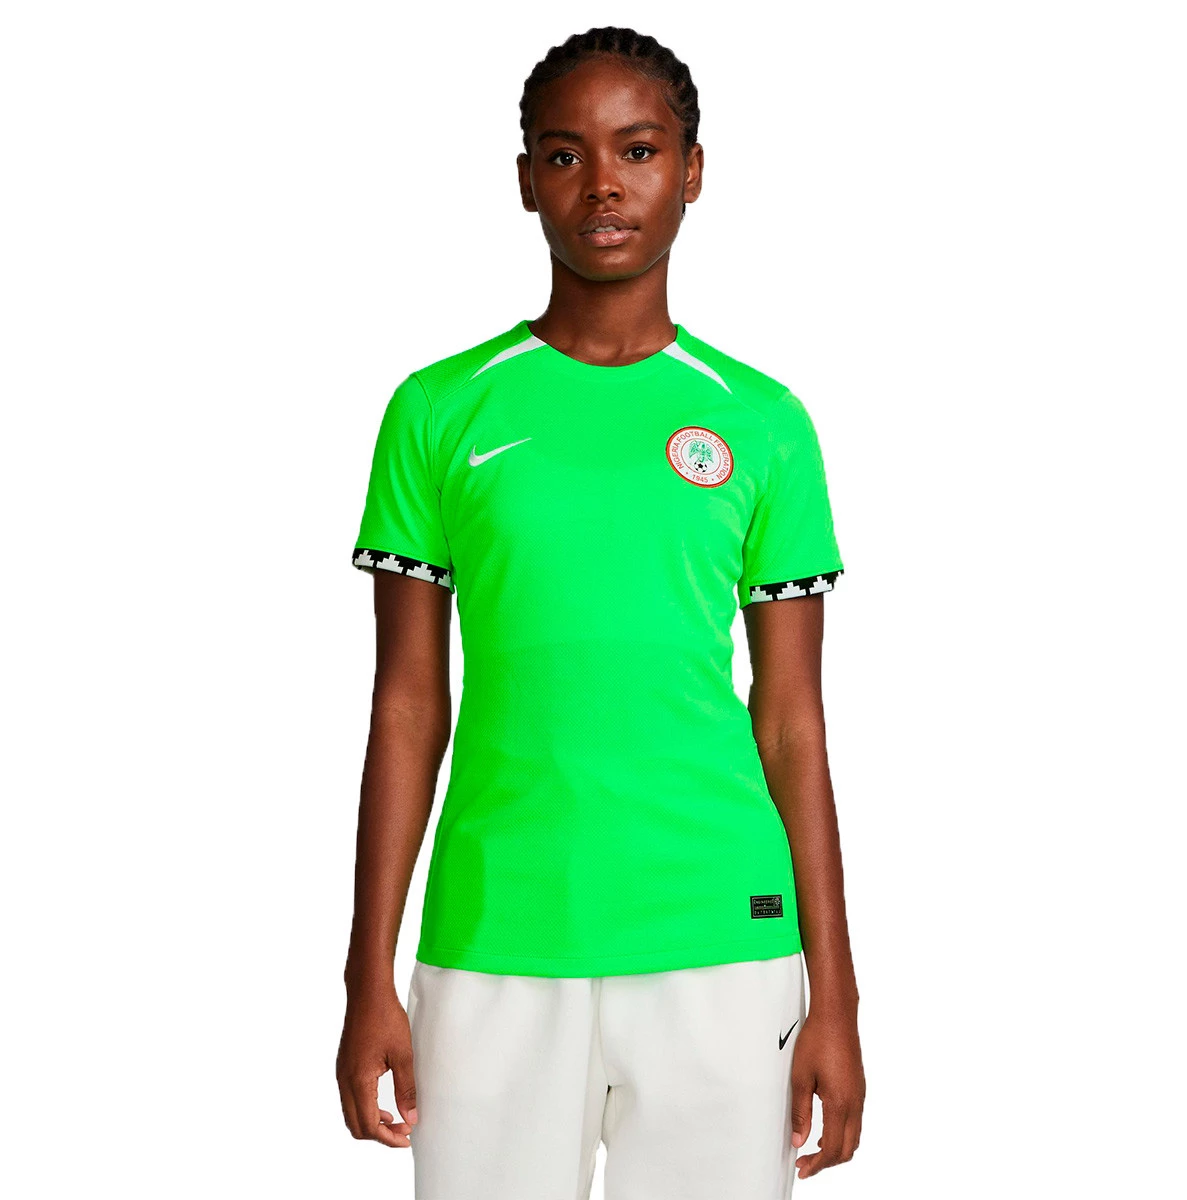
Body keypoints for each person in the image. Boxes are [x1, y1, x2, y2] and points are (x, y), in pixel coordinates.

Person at [336, 25, 865, 1200]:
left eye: (638, 149)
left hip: (721, 936)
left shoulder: (763, 422)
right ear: (527, 178)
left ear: (691, 170)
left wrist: (837, 997)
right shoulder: (440, 411)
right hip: (496, 937)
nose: (603, 185)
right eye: (566, 154)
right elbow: (409, 704)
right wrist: (367, 974)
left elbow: (791, 721)